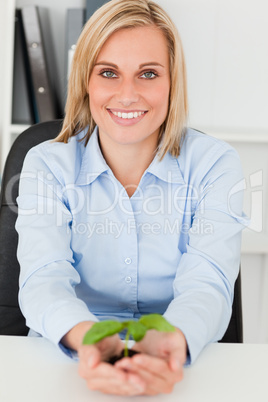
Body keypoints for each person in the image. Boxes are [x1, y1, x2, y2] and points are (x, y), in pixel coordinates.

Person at [16, 0, 248, 396]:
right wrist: (91, 340)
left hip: (177, 358)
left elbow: (207, 283)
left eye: (148, 73)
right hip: (68, 359)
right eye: (108, 73)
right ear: (85, 81)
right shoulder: (47, 164)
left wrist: (170, 341)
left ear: (172, 81)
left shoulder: (215, 164)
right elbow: (44, 279)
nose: (127, 94)